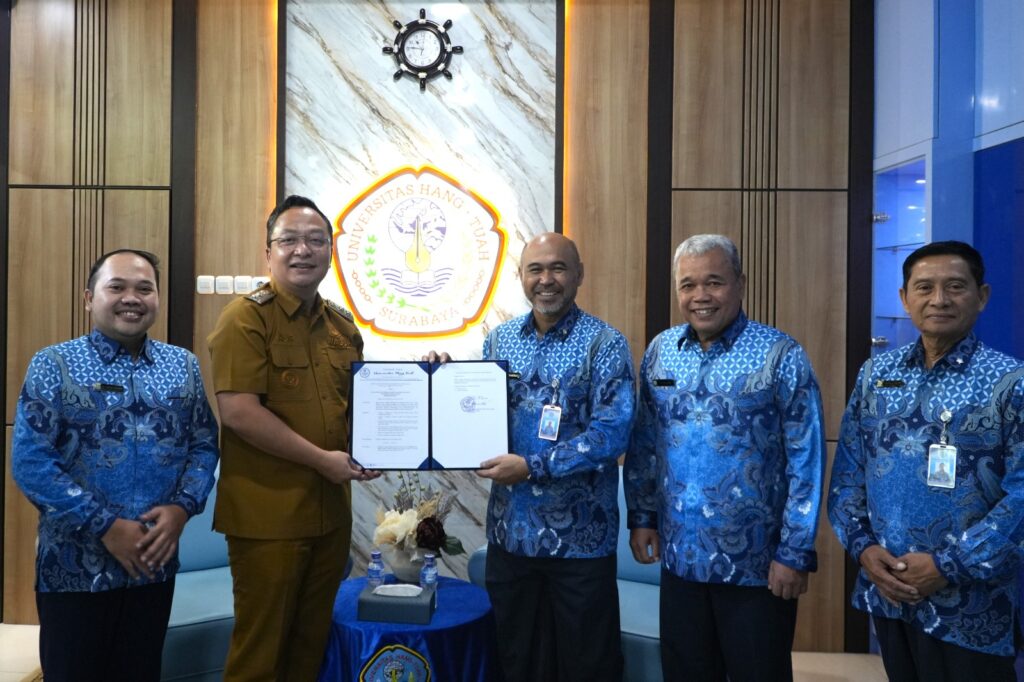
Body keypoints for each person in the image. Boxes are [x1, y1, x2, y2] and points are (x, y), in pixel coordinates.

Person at [427, 232, 635, 682]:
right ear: (521, 276)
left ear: (578, 275)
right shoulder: (500, 341)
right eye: (535, 269)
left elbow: (612, 434)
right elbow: (480, 412)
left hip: (580, 542)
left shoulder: (604, 344)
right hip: (512, 536)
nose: (546, 279)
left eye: (558, 268)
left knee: (587, 666)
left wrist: (533, 467)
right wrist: (441, 380)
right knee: (514, 660)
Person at [624, 234, 826, 682]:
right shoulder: (661, 352)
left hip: (757, 566)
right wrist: (642, 516)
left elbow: (806, 459)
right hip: (681, 559)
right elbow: (644, 442)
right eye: (688, 285)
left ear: (740, 284)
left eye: (713, 282)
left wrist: (795, 551)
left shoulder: (780, 355)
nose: (700, 296)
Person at [12, 249, 219, 681]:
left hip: (153, 567)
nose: (132, 298)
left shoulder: (183, 365)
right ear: (89, 299)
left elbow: (203, 446)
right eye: (117, 287)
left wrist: (182, 508)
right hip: (73, 569)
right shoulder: (54, 364)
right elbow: (32, 462)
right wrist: (105, 526)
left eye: (144, 288)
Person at [828, 240, 1024, 682]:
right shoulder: (877, 374)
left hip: (971, 609)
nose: (939, 299)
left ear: (982, 296)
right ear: (904, 298)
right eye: (924, 287)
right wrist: (864, 550)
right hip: (890, 593)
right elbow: (847, 476)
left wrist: (947, 566)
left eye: (955, 286)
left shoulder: (1011, 382)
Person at [208, 195, 379, 681]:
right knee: (260, 656)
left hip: (330, 517)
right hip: (269, 519)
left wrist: (376, 445)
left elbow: (356, 410)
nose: (303, 250)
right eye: (289, 240)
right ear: (269, 253)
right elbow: (239, 413)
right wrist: (323, 460)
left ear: (330, 251)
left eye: (315, 240)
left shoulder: (342, 327)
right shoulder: (246, 318)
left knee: (310, 649)